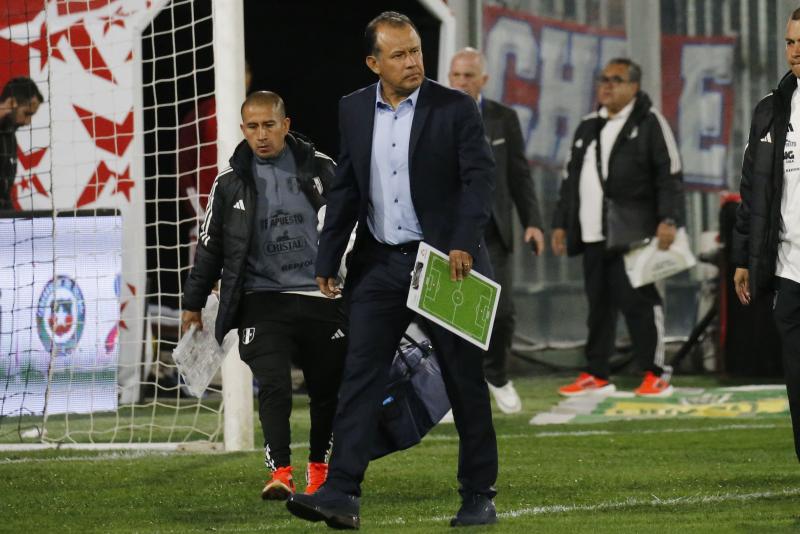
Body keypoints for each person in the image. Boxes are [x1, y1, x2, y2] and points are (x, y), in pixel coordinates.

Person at [286, 11, 499, 529]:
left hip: (446, 264)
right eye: (399, 55)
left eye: (416, 51)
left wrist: (462, 243)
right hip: (380, 263)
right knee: (359, 377)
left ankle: (478, 495)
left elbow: (479, 180)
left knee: (464, 382)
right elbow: (347, 187)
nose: (412, 62)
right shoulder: (354, 108)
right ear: (373, 62)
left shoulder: (455, 107)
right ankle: (341, 493)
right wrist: (327, 257)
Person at [181, 91, 346, 500]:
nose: (261, 135)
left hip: (320, 295)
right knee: (274, 385)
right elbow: (211, 245)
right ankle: (281, 472)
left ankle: (320, 469)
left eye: (269, 125)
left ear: (285, 125)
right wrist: (192, 303)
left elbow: (351, 223)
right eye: (252, 127)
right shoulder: (229, 182)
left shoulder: (322, 168)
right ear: (243, 130)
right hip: (261, 298)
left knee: (326, 390)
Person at [551, 58, 684, 398]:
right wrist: (561, 224)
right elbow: (569, 179)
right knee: (598, 306)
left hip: (632, 233)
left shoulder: (650, 122)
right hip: (592, 233)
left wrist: (668, 219)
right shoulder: (587, 126)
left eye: (616, 79)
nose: (607, 85)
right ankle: (597, 373)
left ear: (634, 87)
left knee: (640, 302)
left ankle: (655, 372)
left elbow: (669, 175)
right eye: (603, 79)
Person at [448, 47, 545, 414]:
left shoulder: (504, 119)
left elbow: (519, 174)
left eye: (469, 76)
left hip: (492, 232)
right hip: (450, 233)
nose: (461, 82)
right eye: (456, 75)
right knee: (450, 316)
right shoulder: (434, 115)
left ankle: (498, 376)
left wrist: (533, 221)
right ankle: (450, 390)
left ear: (484, 79)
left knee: (501, 313)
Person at [733, 8, 800, 462]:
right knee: (798, 386)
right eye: (790, 42)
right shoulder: (771, 108)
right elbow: (752, 189)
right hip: (789, 271)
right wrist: (744, 255)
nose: (795, 51)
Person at [0, 77, 43, 210]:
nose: (27, 122)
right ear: (12, 102)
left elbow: (4, 195)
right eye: (26, 113)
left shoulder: (9, 136)